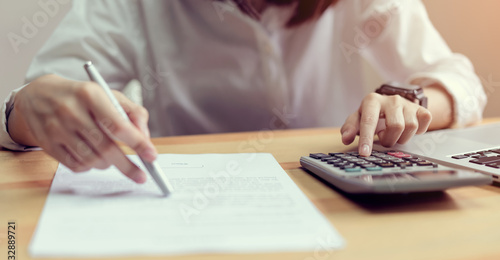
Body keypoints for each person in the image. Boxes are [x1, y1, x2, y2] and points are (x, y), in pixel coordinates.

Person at [1, 0, 486, 184]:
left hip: (335, 198)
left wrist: (415, 102)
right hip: (185, 208)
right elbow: (35, 101)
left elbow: (458, 80)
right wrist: (26, 107)